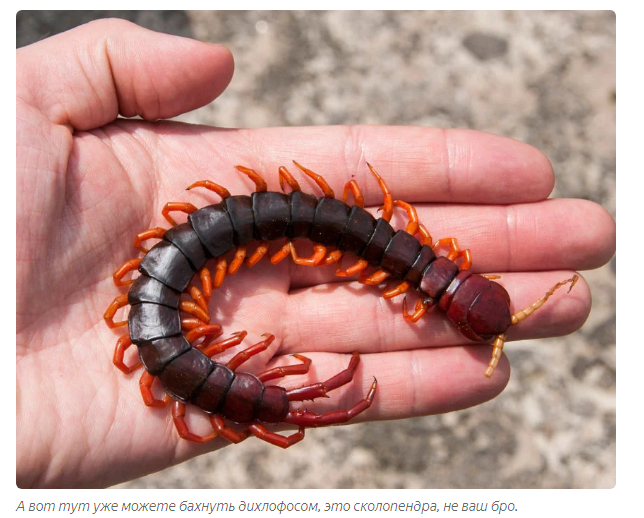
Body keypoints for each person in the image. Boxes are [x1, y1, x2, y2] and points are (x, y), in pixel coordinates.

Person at [16, 19, 615, 488]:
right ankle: (279, 399)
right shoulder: (403, 259)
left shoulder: (405, 260)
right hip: (163, 303)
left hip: (185, 308)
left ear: (449, 292)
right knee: (306, 221)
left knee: (320, 223)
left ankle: (273, 398)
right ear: (455, 281)